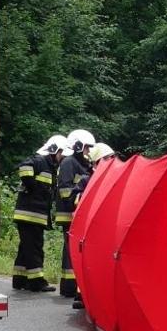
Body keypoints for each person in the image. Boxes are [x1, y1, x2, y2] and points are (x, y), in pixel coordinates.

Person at [12, 135, 65, 292]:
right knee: (35, 248)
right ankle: (37, 282)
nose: (63, 157)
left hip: (33, 215)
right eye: (62, 152)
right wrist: (32, 186)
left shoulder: (51, 167)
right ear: (54, 150)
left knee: (25, 248)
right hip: (30, 215)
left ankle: (19, 279)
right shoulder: (41, 160)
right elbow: (24, 167)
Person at [68, 142, 116, 310]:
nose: (111, 161)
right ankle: (81, 295)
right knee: (88, 261)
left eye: (112, 158)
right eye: (107, 159)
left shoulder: (114, 179)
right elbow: (76, 201)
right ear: (97, 162)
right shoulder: (87, 180)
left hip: (106, 229)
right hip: (89, 230)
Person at [55, 128, 97, 299]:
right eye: (86, 147)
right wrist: (76, 203)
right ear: (78, 146)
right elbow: (65, 191)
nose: (88, 151)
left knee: (75, 250)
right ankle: (68, 287)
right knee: (70, 250)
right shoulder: (68, 163)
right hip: (68, 214)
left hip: (78, 215)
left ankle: (74, 285)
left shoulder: (82, 164)